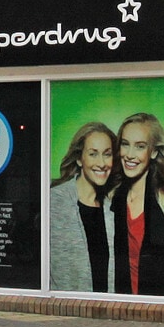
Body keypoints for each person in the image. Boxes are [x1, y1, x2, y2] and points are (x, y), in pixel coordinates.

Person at [110, 112, 164, 295]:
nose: (129, 154)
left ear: (153, 152)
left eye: (140, 146)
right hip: (119, 302)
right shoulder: (112, 198)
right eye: (125, 144)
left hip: (156, 306)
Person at [47, 122, 115, 293]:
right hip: (67, 312)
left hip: (108, 311)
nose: (101, 163)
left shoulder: (114, 206)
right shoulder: (55, 201)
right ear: (79, 159)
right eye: (93, 154)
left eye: (107, 154)